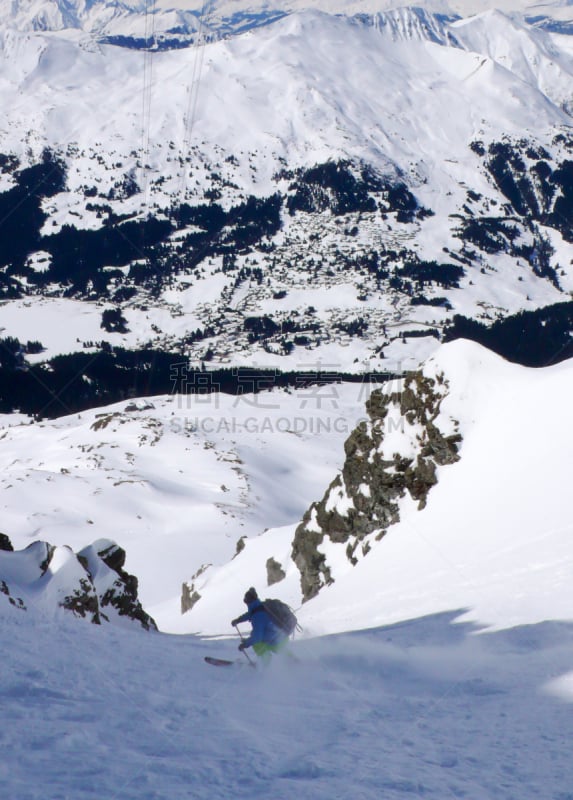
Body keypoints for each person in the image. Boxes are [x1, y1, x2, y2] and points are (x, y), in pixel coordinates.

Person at [231, 587, 288, 662]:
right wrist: (239, 620)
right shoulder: (261, 606)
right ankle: (293, 661)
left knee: (257, 644)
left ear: (249, 601)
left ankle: (267, 665)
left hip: (276, 641)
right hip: (283, 637)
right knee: (282, 651)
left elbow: (257, 637)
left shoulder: (257, 616)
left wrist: (245, 644)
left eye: (245, 601)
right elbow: (251, 614)